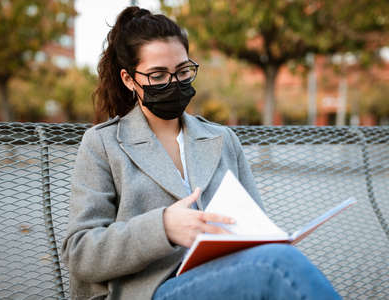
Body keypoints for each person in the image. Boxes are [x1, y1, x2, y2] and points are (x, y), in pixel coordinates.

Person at [61, 6, 341, 300]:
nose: (174, 83)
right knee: (278, 266)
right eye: (157, 76)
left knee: (277, 260)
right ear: (129, 79)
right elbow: (80, 252)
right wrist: (163, 227)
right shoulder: (103, 144)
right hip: (149, 290)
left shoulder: (222, 139)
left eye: (183, 71)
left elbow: (258, 231)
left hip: (228, 277)